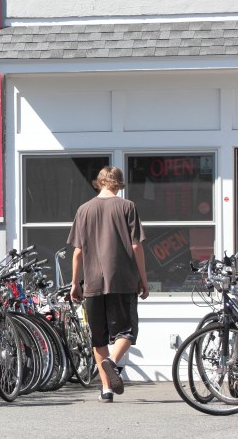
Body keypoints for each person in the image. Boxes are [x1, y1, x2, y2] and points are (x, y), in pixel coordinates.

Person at [67, 166, 149, 403]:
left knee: (99, 338)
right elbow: (136, 246)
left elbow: (78, 252)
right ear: (119, 183)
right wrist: (143, 279)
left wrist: (75, 283)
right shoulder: (127, 207)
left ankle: (106, 389)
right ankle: (112, 362)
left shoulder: (84, 210)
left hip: (92, 281)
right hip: (122, 280)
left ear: (99, 182)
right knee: (127, 331)